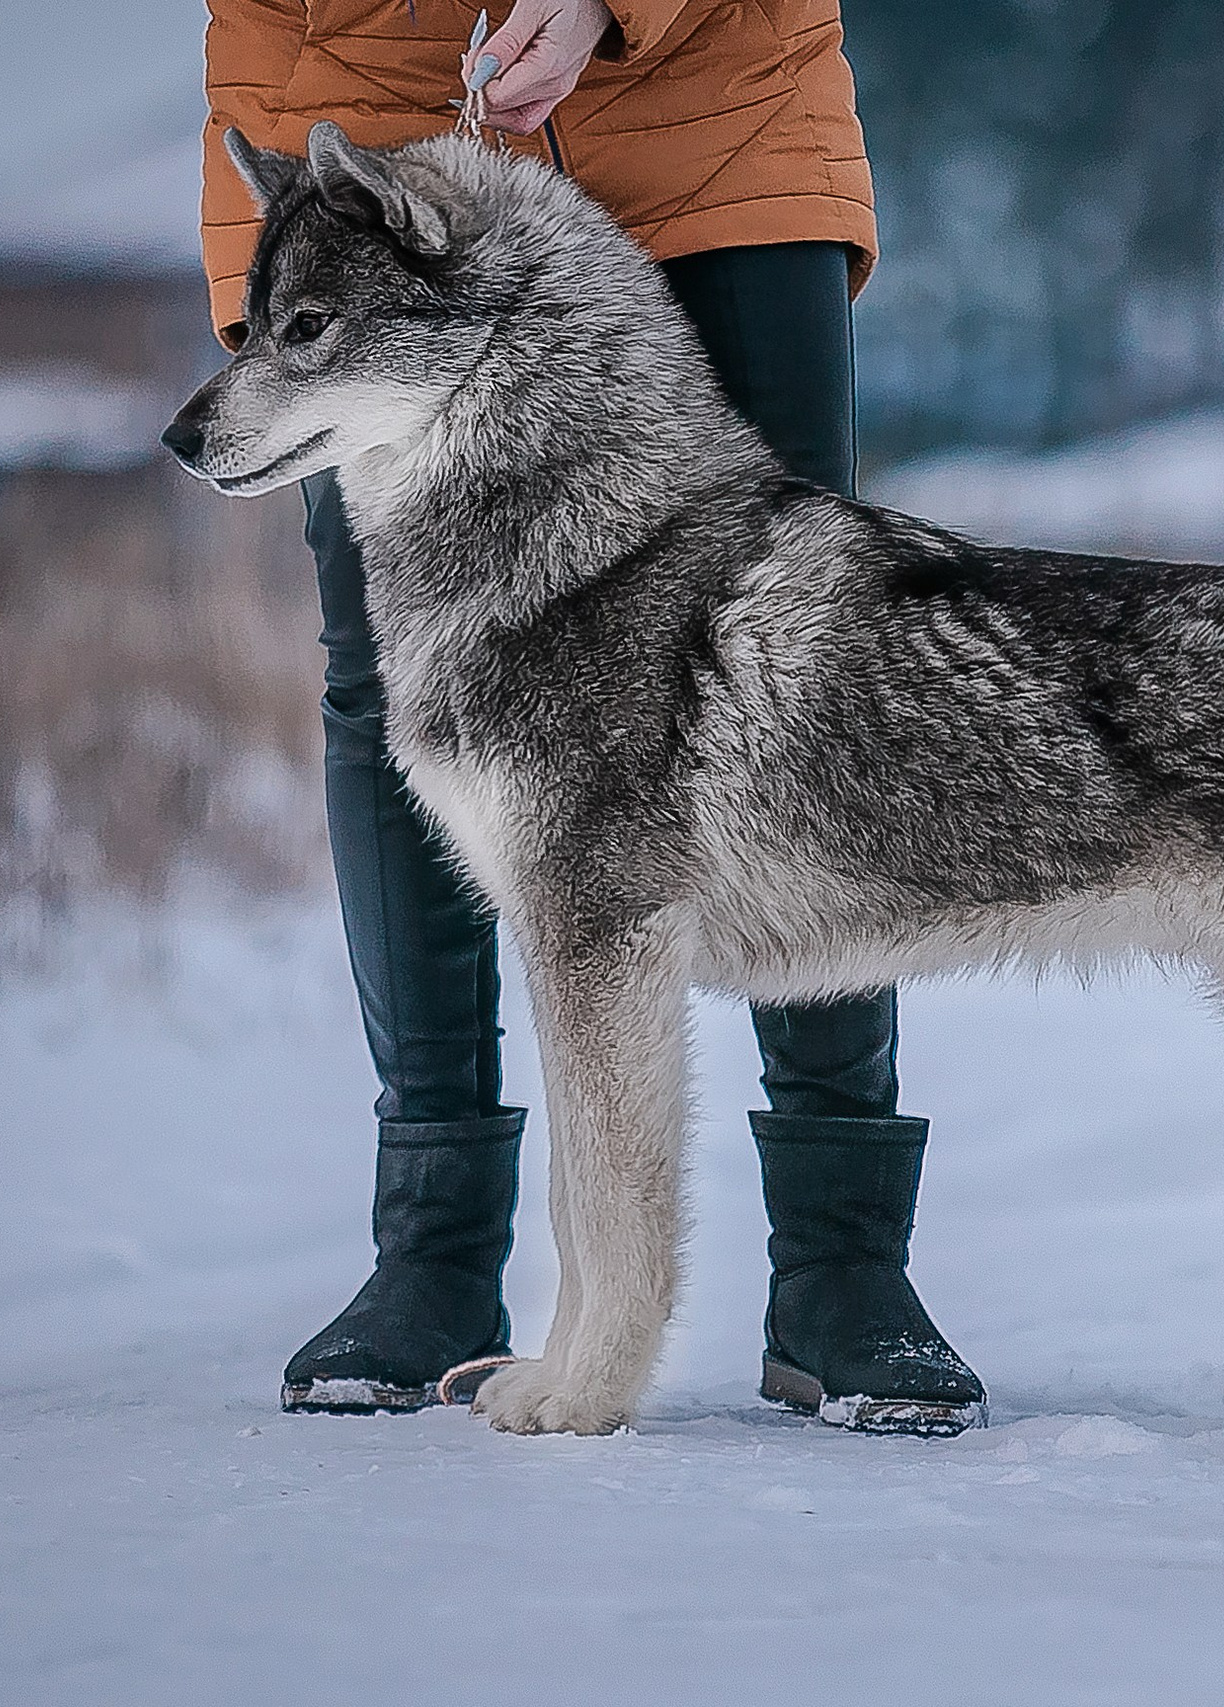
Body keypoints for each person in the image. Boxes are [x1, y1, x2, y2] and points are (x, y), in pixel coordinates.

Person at [196, 0, 984, 1431]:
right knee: (393, 685)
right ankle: (431, 1253)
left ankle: (842, 1268)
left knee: (815, 639)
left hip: (718, 121)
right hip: (371, 140)